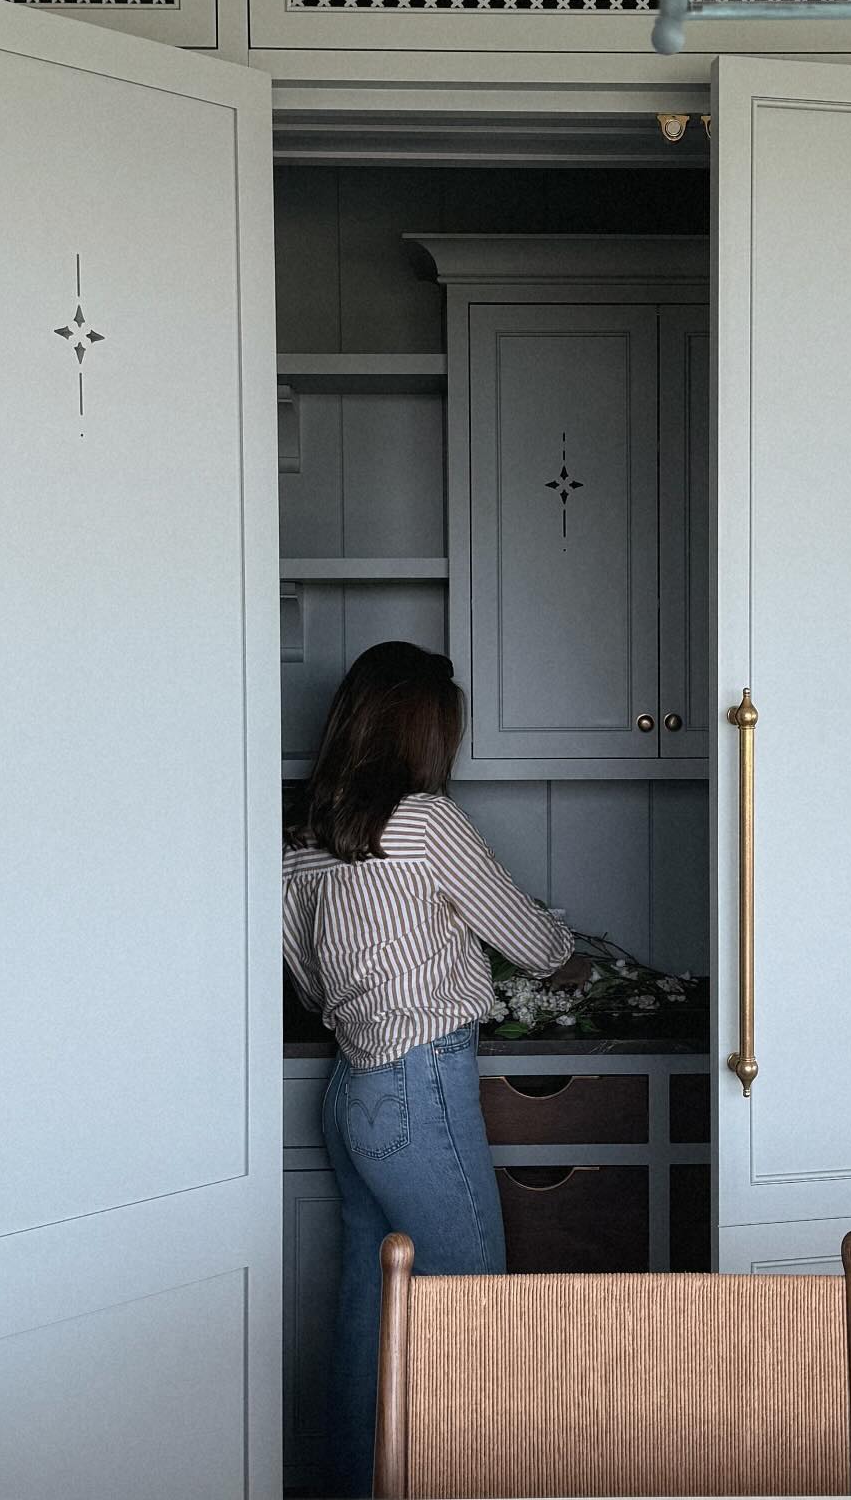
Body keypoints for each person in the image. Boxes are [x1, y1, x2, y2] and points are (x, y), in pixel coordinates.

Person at [283, 640, 573, 1497]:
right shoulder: (424, 821)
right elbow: (525, 936)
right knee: (471, 1305)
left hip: (349, 1097)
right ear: (420, 730)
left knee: (369, 1317)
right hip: (420, 1086)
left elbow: (304, 975)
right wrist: (569, 959)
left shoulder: (300, 840)